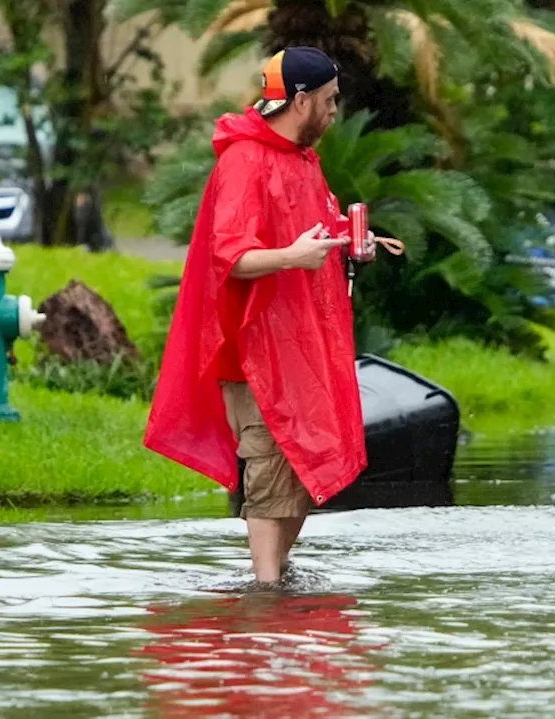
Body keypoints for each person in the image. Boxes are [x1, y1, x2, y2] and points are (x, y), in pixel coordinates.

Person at [143, 47, 396, 584]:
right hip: (254, 348)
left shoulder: (302, 159)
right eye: (328, 101)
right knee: (270, 462)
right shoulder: (244, 160)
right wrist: (291, 258)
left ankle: (274, 578)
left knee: (304, 465)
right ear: (300, 100)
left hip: (301, 345)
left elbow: (312, 232)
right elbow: (229, 256)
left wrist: (349, 245)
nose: (334, 112)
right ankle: (264, 593)